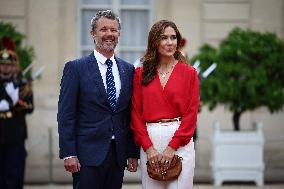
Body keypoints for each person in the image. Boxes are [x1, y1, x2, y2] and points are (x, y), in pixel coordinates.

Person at [57, 10, 139, 189]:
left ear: (119, 34)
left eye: (114, 30)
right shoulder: (75, 69)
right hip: (86, 156)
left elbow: (130, 115)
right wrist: (68, 152)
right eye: (103, 29)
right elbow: (66, 115)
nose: (109, 34)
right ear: (93, 33)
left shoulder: (128, 70)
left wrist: (133, 152)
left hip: (118, 155)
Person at [131, 20, 199, 189]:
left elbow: (191, 114)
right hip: (150, 142)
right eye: (164, 38)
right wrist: (149, 149)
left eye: (173, 37)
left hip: (180, 143)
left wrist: (171, 148)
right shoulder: (141, 73)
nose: (170, 43)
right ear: (155, 41)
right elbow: (135, 114)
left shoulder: (189, 73)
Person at [0, 48, 34, 189]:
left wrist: (15, 102)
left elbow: (30, 107)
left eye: (9, 64)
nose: (5, 66)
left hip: (15, 136)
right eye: (2, 64)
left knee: (14, 178)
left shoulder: (22, 84)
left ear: (14, 66)